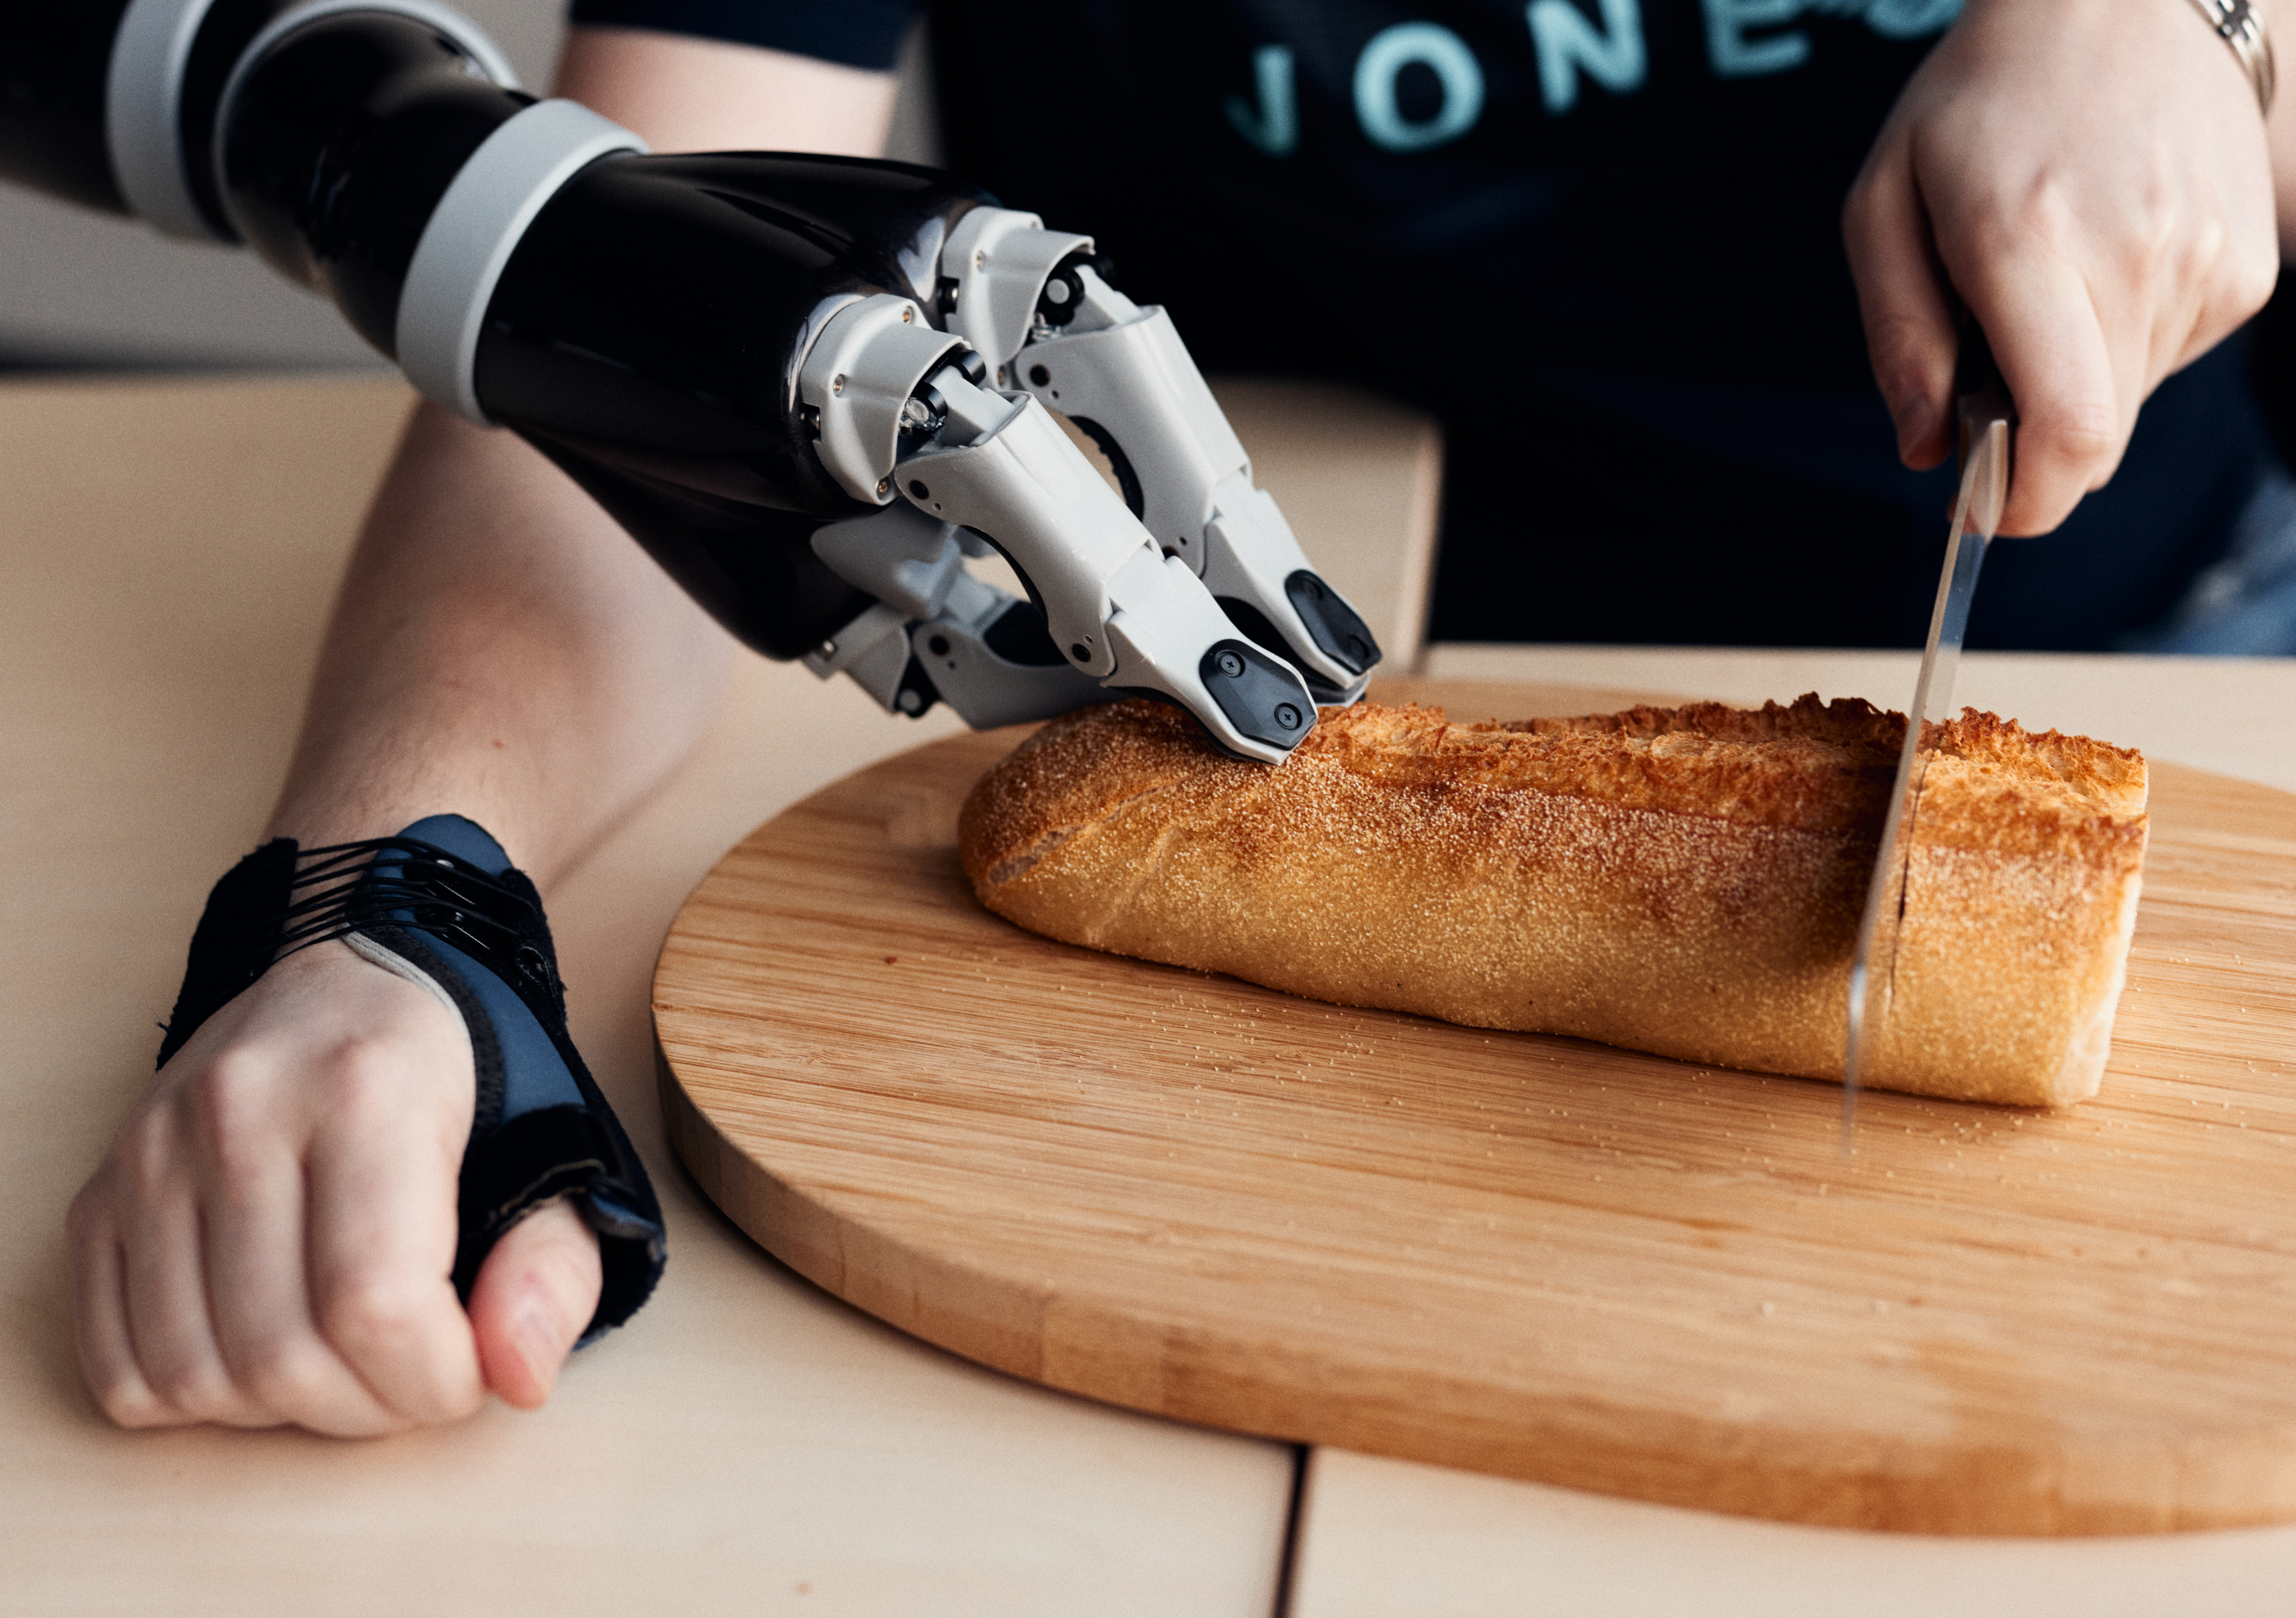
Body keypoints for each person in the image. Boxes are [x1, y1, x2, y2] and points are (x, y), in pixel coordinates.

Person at [67, 0, 2296, 1435]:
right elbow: (626, 342)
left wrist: (2213, 29)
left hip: (2141, 611)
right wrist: (391, 886)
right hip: (1234, 641)